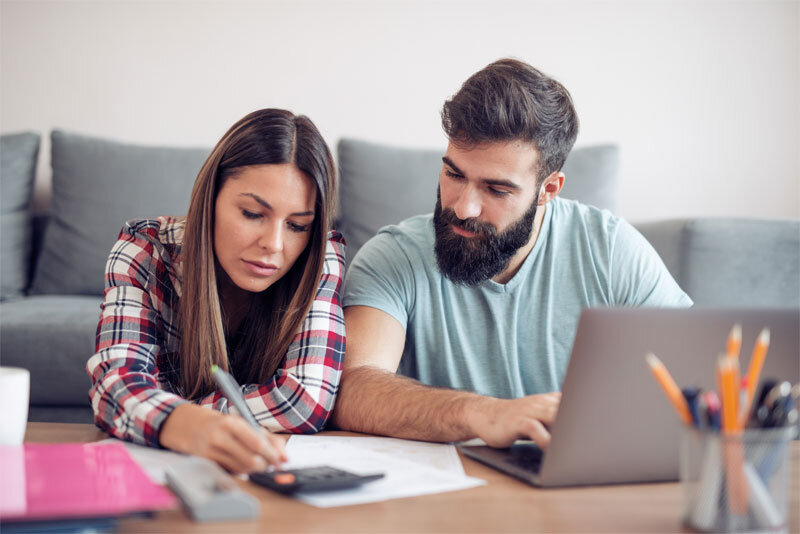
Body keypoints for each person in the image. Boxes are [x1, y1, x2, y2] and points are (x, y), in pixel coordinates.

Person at [332, 59, 692, 449]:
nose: (463, 207)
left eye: (497, 190)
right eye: (454, 175)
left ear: (548, 189)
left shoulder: (611, 251)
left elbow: (689, 380)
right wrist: (482, 414)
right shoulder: (393, 256)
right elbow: (353, 390)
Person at [87, 108, 345, 474]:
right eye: (252, 214)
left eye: (297, 226)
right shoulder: (144, 250)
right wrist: (187, 426)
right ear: (210, 198)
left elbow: (305, 401)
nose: (273, 244)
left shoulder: (322, 258)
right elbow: (114, 386)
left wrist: (176, 414)